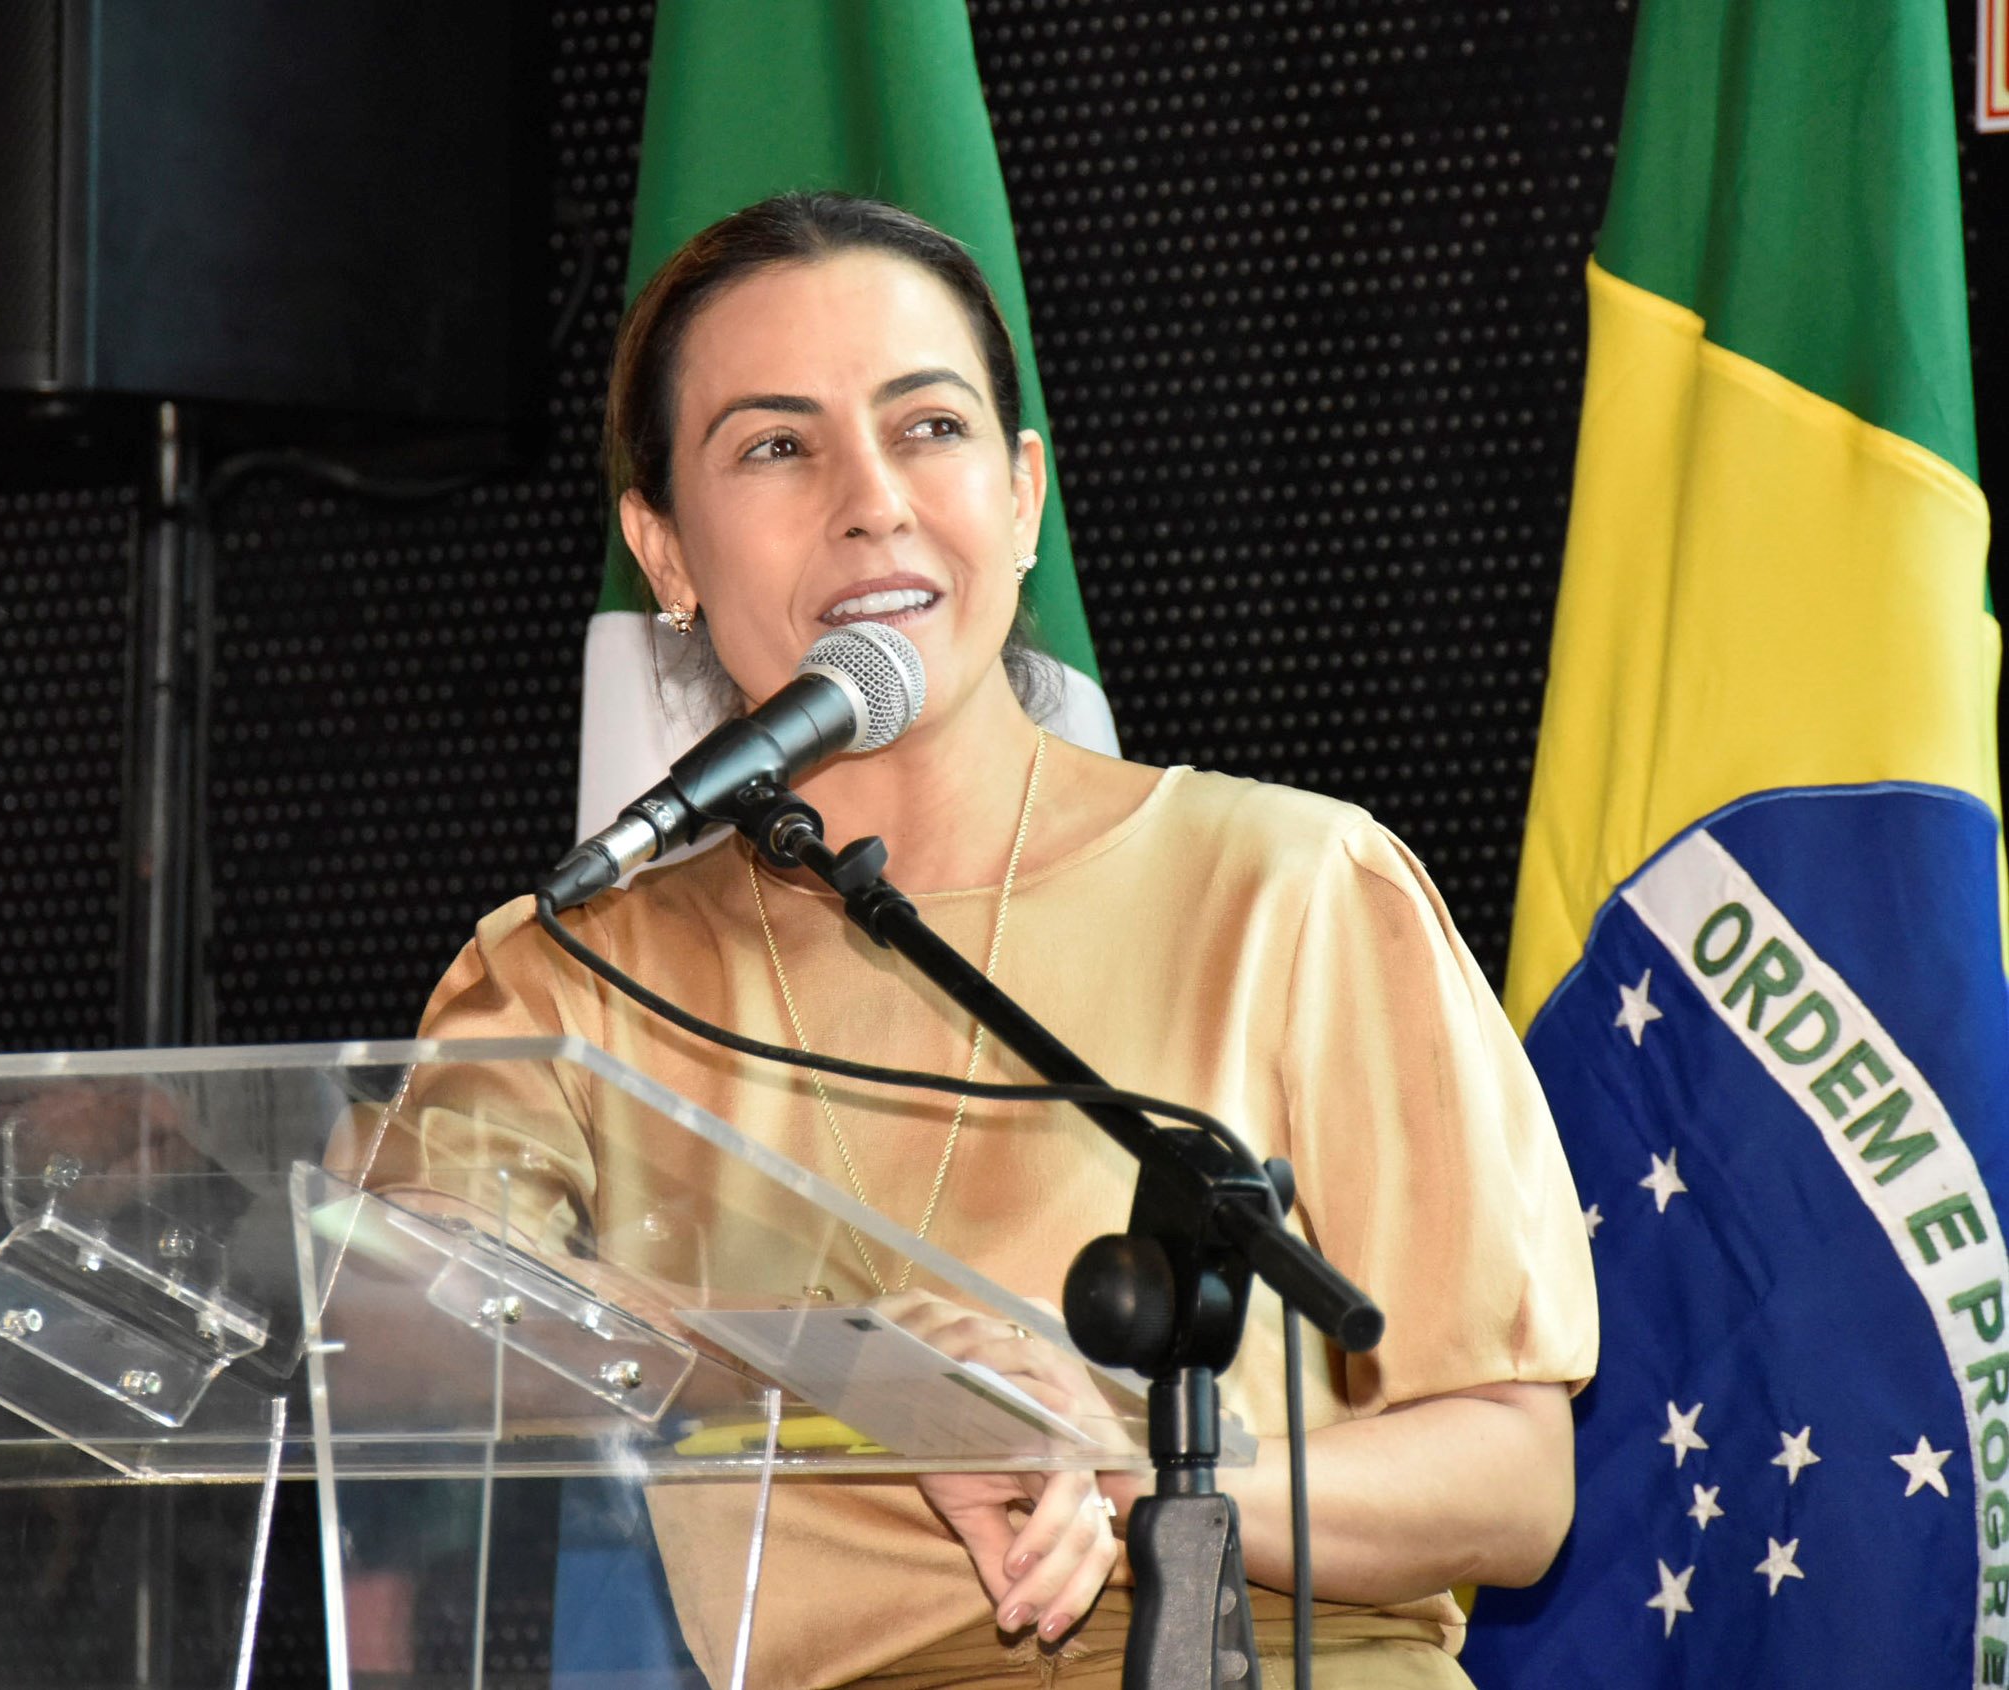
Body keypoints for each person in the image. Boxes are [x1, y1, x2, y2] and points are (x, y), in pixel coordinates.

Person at [412, 192, 1596, 1689]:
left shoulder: (1298, 885)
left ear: (1024, 496)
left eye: (929, 427)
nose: (872, 500)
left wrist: (1146, 1478)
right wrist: (855, 1363)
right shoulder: (574, 974)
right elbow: (398, 1332)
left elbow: (1514, 1481)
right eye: (775, 446)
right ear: (664, 549)